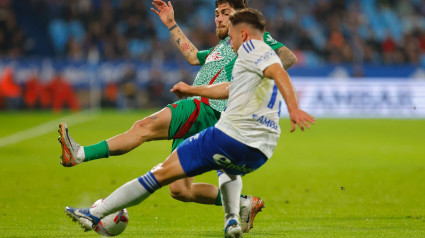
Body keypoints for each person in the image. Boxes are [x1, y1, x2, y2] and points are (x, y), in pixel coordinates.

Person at [64, 8, 315, 238]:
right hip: (252, 143)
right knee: (181, 189)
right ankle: (238, 210)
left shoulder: (254, 48)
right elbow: (196, 58)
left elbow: (285, 60)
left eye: (225, 13)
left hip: (207, 111)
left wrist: (274, 86)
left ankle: (83, 163)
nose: (217, 18)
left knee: (147, 136)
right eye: (215, 13)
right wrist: (172, 25)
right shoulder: (226, 49)